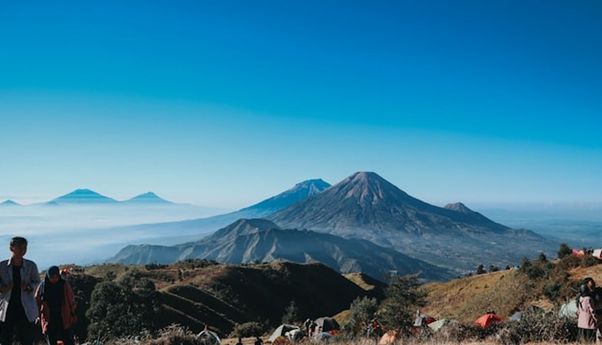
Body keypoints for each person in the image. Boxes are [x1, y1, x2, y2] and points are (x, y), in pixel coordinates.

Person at [0, 237, 41, 345]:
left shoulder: (31, 266)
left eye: (25, 247)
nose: (23, 250)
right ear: (11, 248)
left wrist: (28, 287)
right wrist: (5, 288)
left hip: (26, 309)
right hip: (7, 308)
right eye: (20, 247)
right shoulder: (2, 266)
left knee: (27, 339)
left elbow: (37, 282)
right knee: (5, 339)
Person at [35, 266, 77, 345]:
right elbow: (37, 301)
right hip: (49, 318)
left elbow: (70, 299)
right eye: (52, 277)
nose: (54, 279)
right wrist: (38, 316)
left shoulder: (64, 284)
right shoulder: (43, 286)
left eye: (56, 277)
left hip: (64, 316)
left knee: (68, 340)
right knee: (51, 340)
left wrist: (73, 313)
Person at [577, 277, 597, 343]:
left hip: (581, 323)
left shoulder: (580, 298)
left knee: (583, 339)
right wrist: (596, 319)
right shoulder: (589, 299)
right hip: (589, 323)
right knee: (590, 340)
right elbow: (592, 311)